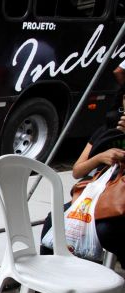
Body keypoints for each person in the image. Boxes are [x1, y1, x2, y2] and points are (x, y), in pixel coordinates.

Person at [40, 112, 125, 262]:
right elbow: (77, 171)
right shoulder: (105, 130)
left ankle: (89, 276)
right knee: (53, 219)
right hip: (96, 196)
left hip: (119, 202)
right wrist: (99, 157)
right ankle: (50, 272)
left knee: (103, 231)